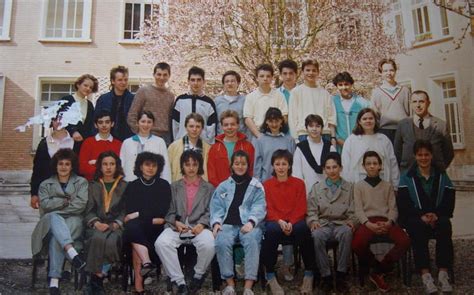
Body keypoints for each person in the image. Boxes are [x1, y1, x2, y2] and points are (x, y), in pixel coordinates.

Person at [398, 140, 455, 294]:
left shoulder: (442, 175)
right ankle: (426, 274)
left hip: (437, 216)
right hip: (416, 218)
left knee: (445, 225)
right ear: (415, 156)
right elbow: (404, 204)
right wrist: (421, 216)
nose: (423, 158)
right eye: (420, 155)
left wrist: (437, 214)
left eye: (426, 154)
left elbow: (449, 200)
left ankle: (443, 272)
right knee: (416, 228)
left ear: (431, 155)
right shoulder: (407, 177)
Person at [155, 150, 215, 295]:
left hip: (198, 227)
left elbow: (211, 211)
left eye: (194, 164)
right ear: (182, 166)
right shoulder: (173, 187)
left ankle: (198, 276)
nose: (191, 168)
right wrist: (175, 222)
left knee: (210, 244)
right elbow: (168, 210)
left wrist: (202, 224)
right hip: (177, 227)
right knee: (161, 243)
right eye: (187, 164)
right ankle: (179, 281)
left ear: (199, 165)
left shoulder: (209, 188)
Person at [31, 148, 88, 295]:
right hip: (48, 225)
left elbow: (80, 205)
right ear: (55, 166)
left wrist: (55, 206)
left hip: (74, 221)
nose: (63, 167)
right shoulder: (45, 184)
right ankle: (72, 254)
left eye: (67, 164)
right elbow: (45, 205)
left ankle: (54, 281)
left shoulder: (81, 182)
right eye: (60, 163)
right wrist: (65, 203)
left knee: (57, 235)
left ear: (72, 166)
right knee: (54, 218)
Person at [351, 151, 410, 293]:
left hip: (385, 221)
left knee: (404, 241)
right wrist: (368, 224)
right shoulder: (358, 186)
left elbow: (393, 209)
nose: (372, 166)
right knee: (356, 244)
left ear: (380, 166)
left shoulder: (387, 186)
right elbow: (358, 210)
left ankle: (380, 269)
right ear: (364, 166)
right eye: (368, 164)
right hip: (368, 222)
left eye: (375, 163)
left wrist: (389, 222)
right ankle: (374, 265)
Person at [211, 150, 266, 295]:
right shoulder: (223, 186)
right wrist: (216, 223)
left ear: (248, 165)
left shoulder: (256, 186)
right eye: (237, 163)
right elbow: (216, 207)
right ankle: (230, 284)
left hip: (248, 224)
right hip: (228, 224)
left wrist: (252, 222)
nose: (240, 166)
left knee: (252, 240)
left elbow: (259, 206)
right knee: (221, 241)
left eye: (243, 163)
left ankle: (248, 285)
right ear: (232, 165)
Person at [262, 150, 315, 295]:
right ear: (273, 165)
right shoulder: (266, 185)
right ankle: (271, 276)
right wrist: (279, 221)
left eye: (284, 164)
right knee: (271, 231)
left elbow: (301, 207)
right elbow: (267, 207)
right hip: (275, 220)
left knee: (303, 229)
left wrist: (291, 222)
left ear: (289, 165)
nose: (280, 167)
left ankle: (309, 274)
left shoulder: (299, 183)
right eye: (277, 164)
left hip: (294, 220)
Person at [306, 152, 357, 293]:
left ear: (341, 168)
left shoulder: (350, 187)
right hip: (323, 224)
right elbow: (311, 210)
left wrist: (352, 221)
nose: (331, 170)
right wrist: (313, 221)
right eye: (328, 168)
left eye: (335, 167)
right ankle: (326, 276)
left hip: (342, 223)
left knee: (347, 233)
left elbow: (355, 210)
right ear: (324, 169)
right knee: (316, 235)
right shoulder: (316, 188)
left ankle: (341, 274)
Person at [123, 152, 172, 294]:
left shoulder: (163, 185)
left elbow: (162, 210)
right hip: (142, 227)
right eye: (147, 165)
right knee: (133, 230)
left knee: (134, 231)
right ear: (140, 166)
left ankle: (140, 286)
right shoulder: (133, 186)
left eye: (154, 165)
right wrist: (150, 217)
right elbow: (129, 209)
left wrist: (138, 214)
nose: (150, 168)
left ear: (159, 167)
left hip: (156, 229)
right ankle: (146, 263)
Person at [84, 151, 127, 294]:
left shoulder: (124, 186)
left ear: (117, 166)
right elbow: (88, 210)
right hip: (97, 225)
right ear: (100, 167)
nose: (108, 167)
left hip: (115, 226)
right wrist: (96, 223)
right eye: (105, 164)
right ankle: (98, 279)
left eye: (112, 164)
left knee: (111, 241)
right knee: (97, 238)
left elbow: (125, 210)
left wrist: (116, 223)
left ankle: (96, 278)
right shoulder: (93, 185)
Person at [394, 90, 454, 172]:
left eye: (421, 101)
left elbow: (449, 153)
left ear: (428, 103)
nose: (418, 105)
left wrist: (438, 169)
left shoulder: (441, 125)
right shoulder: (402, 125)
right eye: (414, 102)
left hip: (434, 175)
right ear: (411, 104)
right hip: (409, 175)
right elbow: (397, 152)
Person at [341, 108, 400, 189]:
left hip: (382, 181)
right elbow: (345, 163)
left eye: (371, 118)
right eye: (364, 119)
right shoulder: (351, 140)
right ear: (359, 121)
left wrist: (395, 186)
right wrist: (347, 186)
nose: (368, 121)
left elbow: (392, 162)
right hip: (358, 183)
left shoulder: (383, 139)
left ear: (375, 120)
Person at [288, 59, 336, 145]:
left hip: (324, 134)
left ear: (318, 72)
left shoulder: (325, 93)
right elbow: (292, 117)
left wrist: (332, 137)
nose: (311, 73)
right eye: (308, 70)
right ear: (302, 72)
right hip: (303, 134)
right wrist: (295, 138)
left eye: (314, 70)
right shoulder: (296, 92)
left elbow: (331, 116)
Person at [30, 117, 74, 210]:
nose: (58, 122)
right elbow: (37, 170)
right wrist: (34, 193)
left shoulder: (75, 142)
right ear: (51, 122)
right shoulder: (44, 143)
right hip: (48, 194)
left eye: (62, 118)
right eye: (55, 119)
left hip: (71, 193)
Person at [127, 62, 175, 144]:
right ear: (154, 75)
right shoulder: (144, 91)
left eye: (165, 75)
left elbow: (170, 119)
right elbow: (132, 115)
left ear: (169, 76)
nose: (161, 77)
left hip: (165, 138)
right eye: (159, 74)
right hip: (147, 134)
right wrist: (140, 132)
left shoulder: (170, 96)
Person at [207, 110, 255, 187]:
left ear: (238, 125)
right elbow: (212, 174)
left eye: (233, 124)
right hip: (221, 192)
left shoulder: (248, 146)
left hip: (243, 190)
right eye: (226, 125)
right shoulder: (215, 148)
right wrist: (221, 190)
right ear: (221, 126)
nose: (229, 127)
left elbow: (252, 170)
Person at [120, 110, 170, 182]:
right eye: (143, 121)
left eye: (149, 122)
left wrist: (166, 184)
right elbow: (122, 164)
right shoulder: (127, 142)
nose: (146, 125)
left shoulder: (159, 142)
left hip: (152, 184)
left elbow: (165, 166)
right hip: (130, 183)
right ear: (137, 123)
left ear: (153, 124)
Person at [171, 66, 218, 144]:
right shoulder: (180, 100)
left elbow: (212, 127)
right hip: (182, 143)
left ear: (203, 81)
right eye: (193, 80)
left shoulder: (209, 103)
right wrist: (176, 141)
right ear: (188, 81)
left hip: (202, 144)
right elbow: (175, 123)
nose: (195, 83)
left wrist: (209, 143)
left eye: (199, 80)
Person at [243, 64, 288, 141]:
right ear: (257, 78)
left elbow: (284, 116)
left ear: (272, 78)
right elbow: (248, 118)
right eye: (262, 76)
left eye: (268, 76)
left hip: (276, 135)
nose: (265, 79)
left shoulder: (279, 95)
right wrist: (259, 136)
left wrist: (276, 132)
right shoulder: (250, 97)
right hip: (258, 135)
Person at [370, 58, 410, 144]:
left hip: (403, 129)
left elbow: (410, 112)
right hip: (384, 131)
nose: (389, 73)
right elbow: (374, 114)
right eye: (385, 71)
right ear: (381, 73)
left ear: (395, 71)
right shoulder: (376, 92)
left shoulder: (404, 90)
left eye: (391, 70)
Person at [293, 114, 335, 195]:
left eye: (317, 126)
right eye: (311, 126)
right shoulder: (301, 148)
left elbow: (335, 171)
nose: (314, 129)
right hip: (307, 192)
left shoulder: (329, 147)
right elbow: (297, 174)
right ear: (306, 128)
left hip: (328, 191)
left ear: (322, 128)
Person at [253, 107, 295, 182]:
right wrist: (258, 183)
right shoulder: (260, 140)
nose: (274, 124)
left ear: (281, 121)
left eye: (277, 121)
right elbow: (257, 165)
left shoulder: (289, 140)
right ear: (266, 122)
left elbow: (293, 164)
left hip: (286, 182)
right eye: (271, 121)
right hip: (266, 183)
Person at [331, 72, 370, 153]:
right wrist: (338, 139)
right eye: (340, 85)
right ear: (337, 86)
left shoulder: (362, 102)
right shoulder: (333, 102)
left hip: (359, 143)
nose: (344, 87)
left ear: (351, 84)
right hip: (340, 144)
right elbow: (330, 123)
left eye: (346, 84)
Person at [94, 65, 135, 141]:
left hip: (129, 139)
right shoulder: (103, 99)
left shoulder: (133, 99)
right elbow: (96, 120)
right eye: (120, 80)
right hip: (107, 139)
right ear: (113, 81)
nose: (123, 82)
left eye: (125, 80)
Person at [79, 111, 122, 181]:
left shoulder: (119, 144)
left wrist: (95, 163)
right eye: (100, 122)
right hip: (92, 183)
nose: (104, 125)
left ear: (112, 124)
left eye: (107, 122)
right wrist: (104, 171)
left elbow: (119, 166)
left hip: (113, 184)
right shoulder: (88, 142)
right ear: (96, 125)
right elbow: (82, 167)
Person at [168, 113, 210, 182]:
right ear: (186, 127)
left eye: (198, 126)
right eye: (191, 126)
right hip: (179, 186)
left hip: (200, 187)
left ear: (202, 128)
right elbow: (168, 170)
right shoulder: (173, 147)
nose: (194, 129)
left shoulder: (208, 148)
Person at [61, 74, 98, 151]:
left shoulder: (90, 105)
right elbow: (59, 120)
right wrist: (73, 132)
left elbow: (91, 125)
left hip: (84, 145)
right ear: (78, 85)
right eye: (85, 85)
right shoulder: (66, 100)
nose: (88, 88)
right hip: (67, 144)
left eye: (91, 87)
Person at [215, 70, 248, 136]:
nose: (229, 83)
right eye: (227, 81)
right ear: (223, 84)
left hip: (241, 140)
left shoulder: (245, 100)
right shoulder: (217, 101)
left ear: (238, 83)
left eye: (232, 81)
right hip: (221, 141)